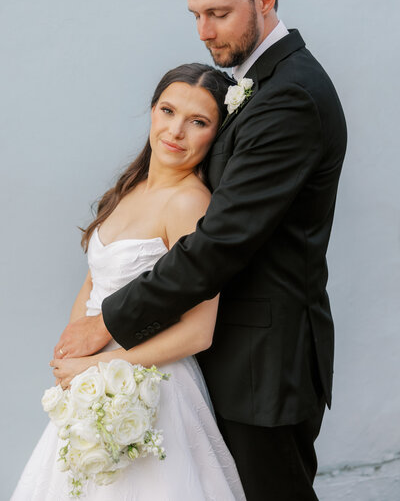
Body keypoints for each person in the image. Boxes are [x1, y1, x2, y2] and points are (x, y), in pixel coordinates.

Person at [55, 0, 347, 500]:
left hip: (263, 366)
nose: (204, 32)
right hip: (221, 361)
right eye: (195, 14)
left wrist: (108, 325)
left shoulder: (290, 97)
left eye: (218, 12)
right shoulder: (257, 84)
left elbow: (220, 242)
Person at [12, 63, 246, 501]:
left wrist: (98, 366)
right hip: (90, 379)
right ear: (152, 111)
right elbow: (93, 281)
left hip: (152, 386)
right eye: (167, 110)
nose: (176, 131)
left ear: (216, 134)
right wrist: (72, 356)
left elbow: (199, 331)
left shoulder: (191, 205)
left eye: (198, 122)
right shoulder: (129, 188)